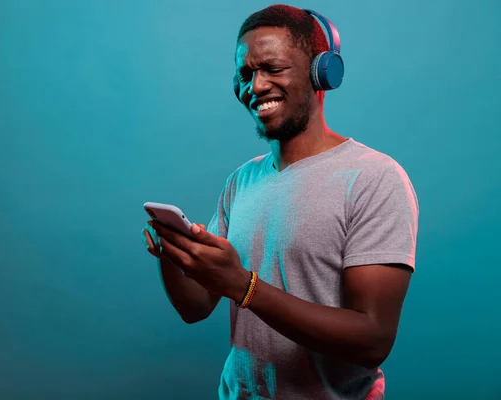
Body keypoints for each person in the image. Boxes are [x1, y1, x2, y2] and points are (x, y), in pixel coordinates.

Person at [142, 4, 418, 400]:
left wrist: (244, 286)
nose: (255, 87)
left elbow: (371, 339)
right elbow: (196, 306)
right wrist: (172, 255)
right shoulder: (242, 180)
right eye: (246, 74)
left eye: (273, 68)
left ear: (322, 71)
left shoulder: (375, 177)